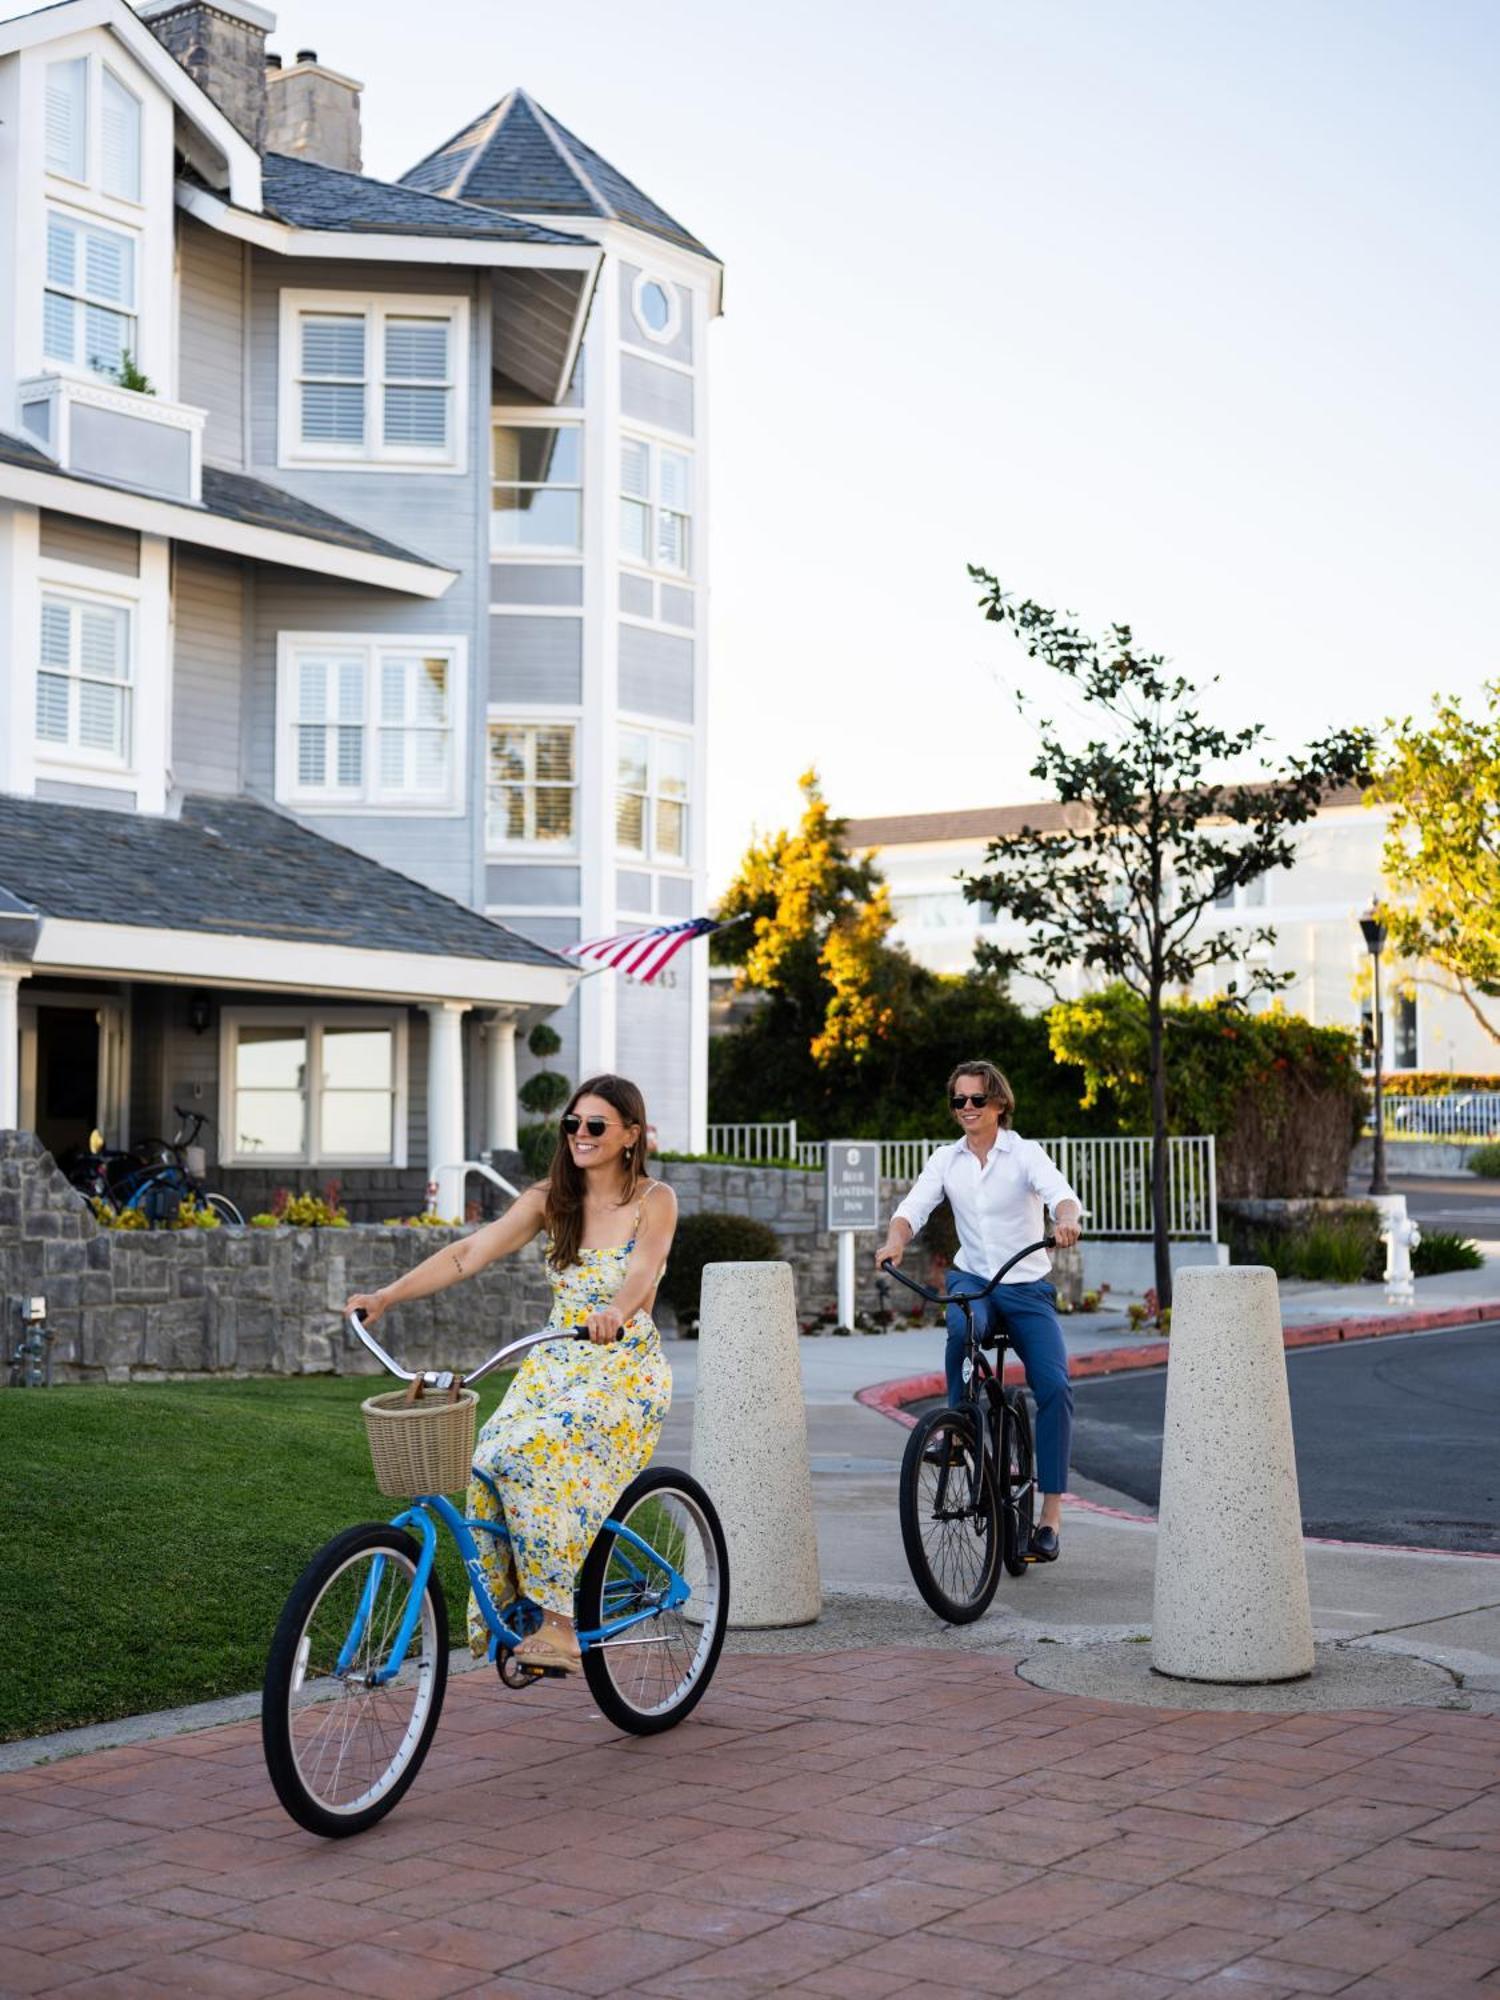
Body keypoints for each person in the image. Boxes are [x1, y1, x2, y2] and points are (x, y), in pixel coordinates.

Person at [345, 1073, 676, 1675]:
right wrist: (388, 1295)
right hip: (553, 1361)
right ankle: (513, 1613)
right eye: (572, 1124)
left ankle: (560, 1628)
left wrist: (615, 1312)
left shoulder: (655, 1200)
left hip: (622, 1365)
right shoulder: (551, 1199)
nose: (580, 1134)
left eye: (595, 1126)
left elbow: (643, 1272)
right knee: (488, 1459)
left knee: (530, 1453)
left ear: (630, 1135)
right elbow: (468, 1253)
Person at [873, 1059, 1082, 1563]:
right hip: (975, 1280)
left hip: (1026, 1284)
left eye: (976, 1100)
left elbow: (1062, 1198)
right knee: (961, 1327)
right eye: (958, 1100)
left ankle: (1050, 1516)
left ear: (999, 1104)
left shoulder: (1025, 1153)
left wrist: (1067, 1222)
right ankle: (958, 1432)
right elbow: (913, 1208)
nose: (966, 1108)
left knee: (1055, 1388)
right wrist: (894, 1241)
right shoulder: (946, 1160)